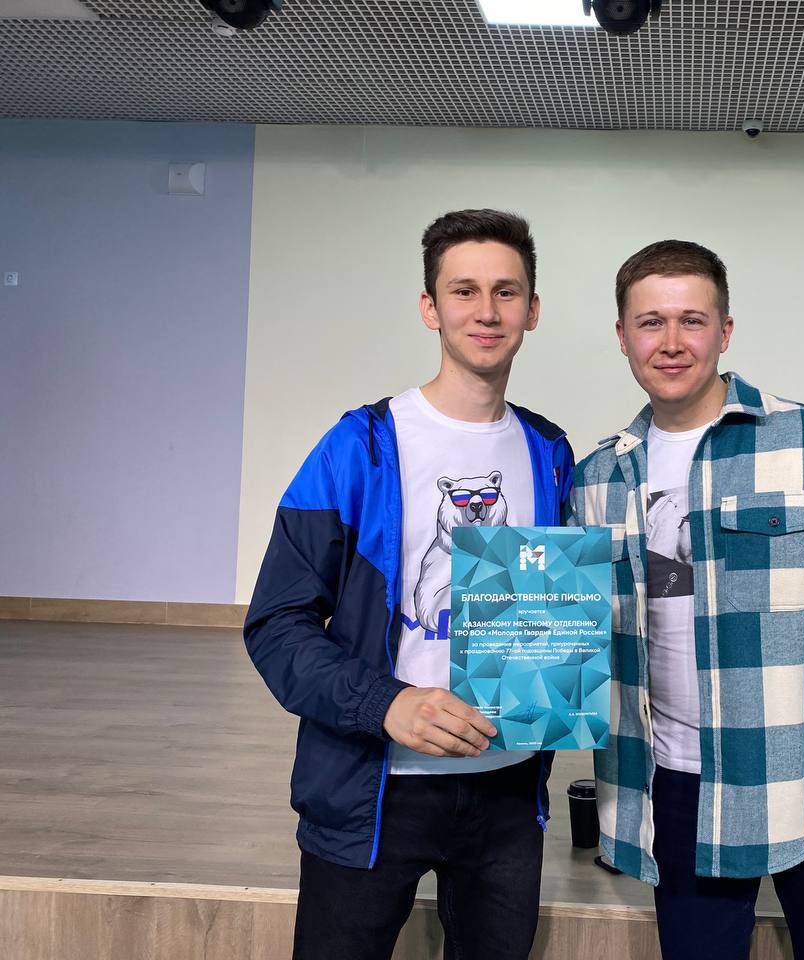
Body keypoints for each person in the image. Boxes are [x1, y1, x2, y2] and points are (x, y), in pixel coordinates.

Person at [569, 240, 804, 960]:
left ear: (726, 330)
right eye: (650, 322)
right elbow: (581, 639)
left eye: (692, 320)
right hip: (675, 789)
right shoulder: (596, 479)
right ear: (622, 336)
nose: (671, 342)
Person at [244, 209, 573, 960]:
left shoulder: (550, 452)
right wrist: (387, 704)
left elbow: (552, 617)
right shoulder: (358, 445)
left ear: (532, 310)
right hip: (373, 787)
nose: (486, 311)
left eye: (506, 292)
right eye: (464, 291)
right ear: (430, 307)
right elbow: (277, 625)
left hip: (508, 793)